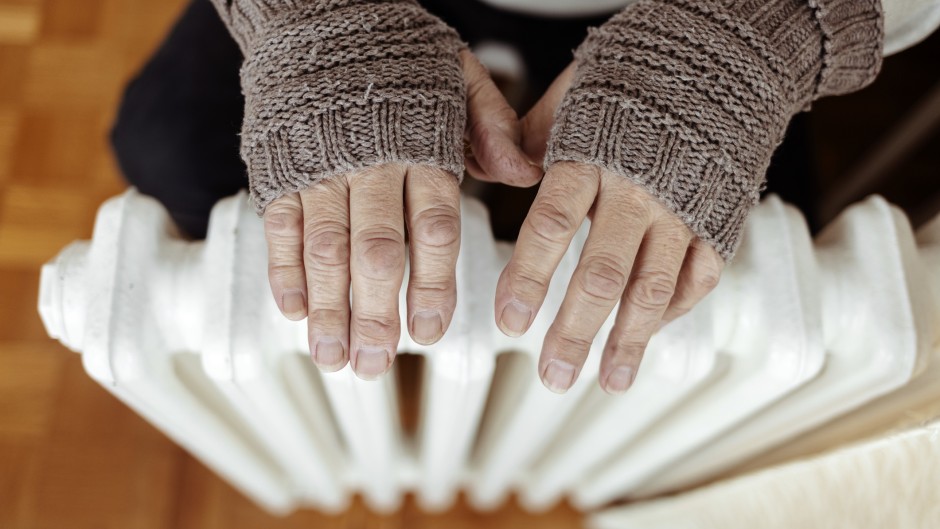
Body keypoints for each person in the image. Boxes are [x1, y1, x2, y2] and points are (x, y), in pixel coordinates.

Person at [111, 0, 940, 394]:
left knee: (758, 246)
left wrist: (771, 28)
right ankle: (314, 354)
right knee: (168, 146)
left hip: (708, 21)